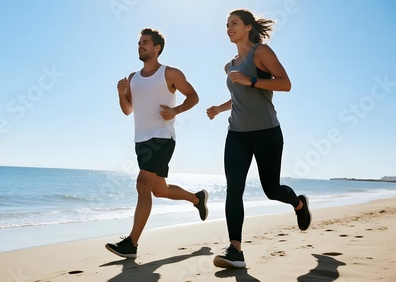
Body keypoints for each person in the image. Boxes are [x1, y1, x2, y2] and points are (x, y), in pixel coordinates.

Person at [206, 9, 311, 268]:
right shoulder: (229, 66)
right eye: (226, 24)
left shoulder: (261, 53)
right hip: (236, 135)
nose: (229, 28)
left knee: (271, 190)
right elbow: (240, 97)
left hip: (267, 133)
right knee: (234, 190)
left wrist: (251, 79)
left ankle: (298, 203)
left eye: (234, 23)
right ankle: (235, 250)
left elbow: (285, 84)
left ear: (248, 27)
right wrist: (220, 109)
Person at [105, 28, 209, 259]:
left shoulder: (170, 73)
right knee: (159, 190)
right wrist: (121, 94)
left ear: (157, 48)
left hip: (162, 137)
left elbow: (193, 96)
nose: (140, 46)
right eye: (139, 43)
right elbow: (127, 110)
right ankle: (197, 198)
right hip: (140, 140)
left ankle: (131, 243)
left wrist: (175, 110)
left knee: (143, 185)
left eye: (145, 43)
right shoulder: (133, 78)